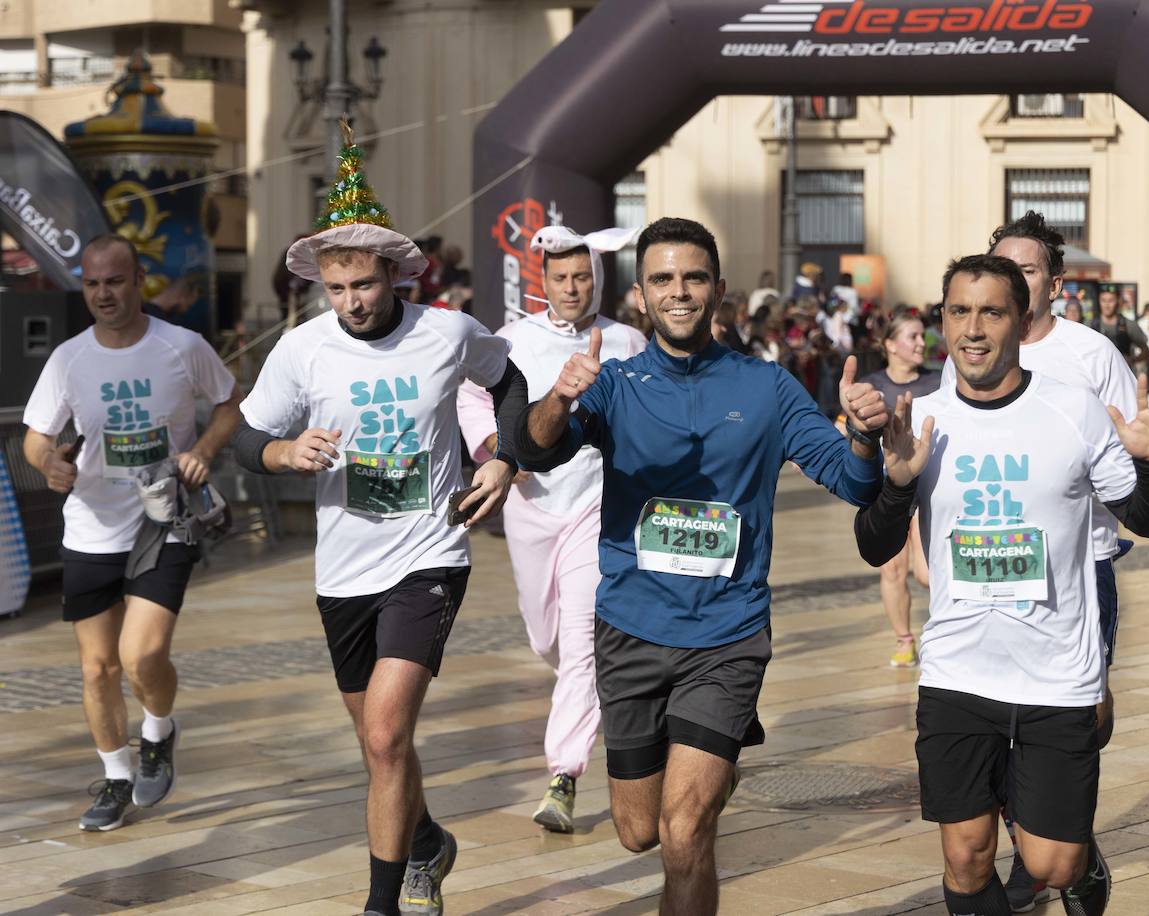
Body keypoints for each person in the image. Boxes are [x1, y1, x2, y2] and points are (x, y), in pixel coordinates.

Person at [514, 217, 886, 915]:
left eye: (692, 278)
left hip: (727, 636)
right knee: (638, 832)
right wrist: (561, 396)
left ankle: (706, 774)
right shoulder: (615, 382)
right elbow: (536, 451)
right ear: (641, 297)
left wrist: (863, 438)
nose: (678, 292)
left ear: (718, 289)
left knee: (685, 832)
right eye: (662, 279)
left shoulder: (767, 388)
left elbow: (854, 484)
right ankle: (705, 772)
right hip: (629, 629)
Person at [231, 130, 526, 916]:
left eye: (363, 283)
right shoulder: (300, 352)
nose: (353, 301)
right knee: (378, 746)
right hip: (342, 572)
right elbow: (242, 438)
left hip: (429, 558)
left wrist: (505, 459)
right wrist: (284, 452)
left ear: (393, 273)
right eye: (337, 288)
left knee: (389, 736)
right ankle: (426, 839)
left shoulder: (447, 332)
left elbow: (513, 383)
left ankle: (380, 905)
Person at [857, 253, 1149, 916]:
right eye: (959, 312)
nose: (974, 328)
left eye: (992, 311)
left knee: (1050, 862)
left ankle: (1080, 860)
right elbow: (874, 544)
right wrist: (896, 485)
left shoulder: (1073, 410)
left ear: (1021, 320)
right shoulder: (923, 416)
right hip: (957, 669)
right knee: (965, 855)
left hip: (1056, 674)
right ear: (942, 323)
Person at [940, 211, 1140, 911]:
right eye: (1001, 266)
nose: (1008, 283)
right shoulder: (968, 344)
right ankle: (1020, 821)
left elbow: (1130, 462)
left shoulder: (1090, 355)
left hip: (1081, 569)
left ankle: (1058, 841)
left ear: (1051, 284)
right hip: (979, 586)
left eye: (1025, 270)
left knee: (1088, 718)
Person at [22, 233, 243, 832]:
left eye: (114, 281)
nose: (103, 294)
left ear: (138, 279)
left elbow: (231, 403)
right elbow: (36, 436)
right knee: (98, 669)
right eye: (92, 284)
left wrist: (200, 450)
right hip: (90, 526)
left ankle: (159, 731)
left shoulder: (181, 346)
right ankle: (116, 778)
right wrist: (49, 463)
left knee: (141, 655)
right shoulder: (68, 359)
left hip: (161, 520)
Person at [457, 224, 646, 834]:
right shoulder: (509, 340)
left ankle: (563, 775)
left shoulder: (629, 341)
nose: (572, 288)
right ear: (542, 281)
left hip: (601, 506)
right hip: (531, 507)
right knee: (548, 639)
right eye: (561, 278)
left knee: (581, 638)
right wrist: (493, 450)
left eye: (583, 277)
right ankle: (602, 689)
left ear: (598, 278)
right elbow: (470, 396)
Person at [858, 310, 940, 668]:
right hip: (885, 492)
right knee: (891, 570)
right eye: (913, 337)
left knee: (925, 574)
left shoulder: (938, 382)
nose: (922, 343)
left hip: (927, 490)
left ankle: (952, 624)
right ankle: (904, 640)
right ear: (890, 344)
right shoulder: (871, 385)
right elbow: (852, 431)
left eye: (923, 336)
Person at [1089, 288, 1147, 371]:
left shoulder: (1129, 325)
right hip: (1096, 374)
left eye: (1111, 301)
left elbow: (1145, 350)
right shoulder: (1091, 324)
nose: (1107, 305)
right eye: (1103, 300)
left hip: (1121, 374)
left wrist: (1132, 360)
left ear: (1118, 301)